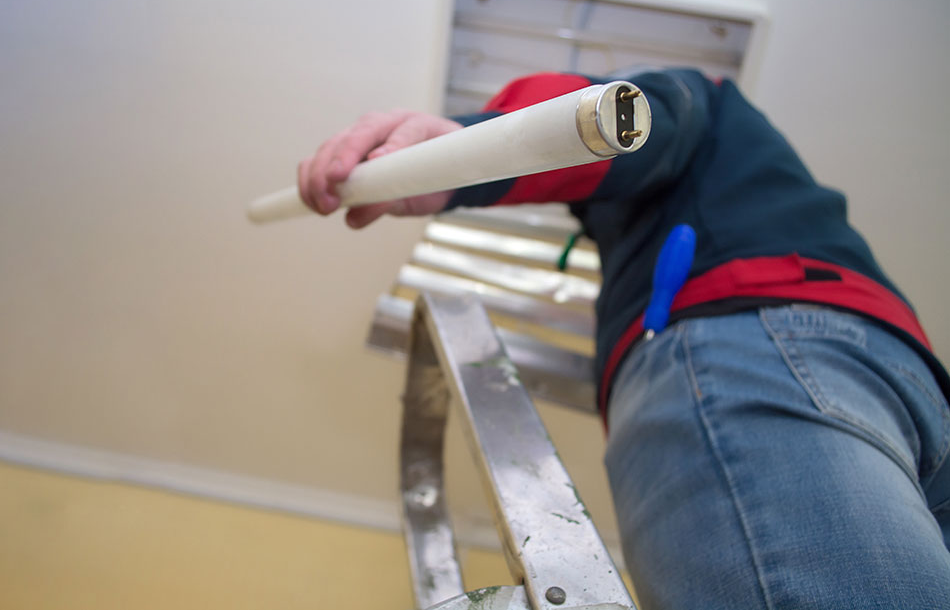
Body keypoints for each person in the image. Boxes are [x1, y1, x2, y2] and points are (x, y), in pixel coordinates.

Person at [298, 69, 950, 609]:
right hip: (907, 374)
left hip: (745, 339)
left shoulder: (700, 104)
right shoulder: (761, 193)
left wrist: (466, 149)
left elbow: (631, 122)